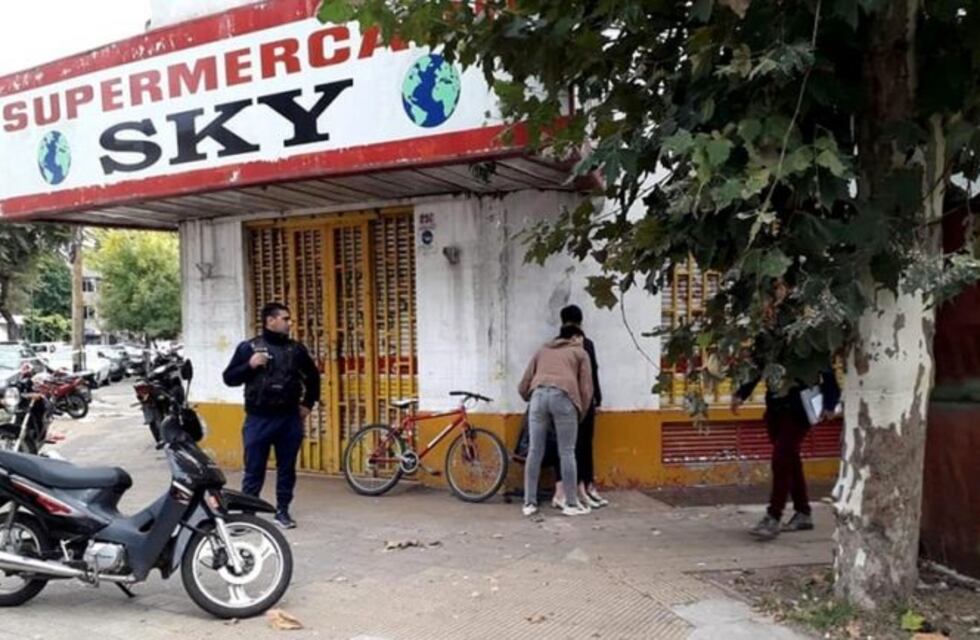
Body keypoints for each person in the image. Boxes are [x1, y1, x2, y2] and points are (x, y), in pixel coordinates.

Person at [731, 279, 840, 540]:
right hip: (775, 405)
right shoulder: (766, 333)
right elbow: (758, 366)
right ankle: (803, 512)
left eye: (778, 292)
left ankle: (773, 516)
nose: (772, 300)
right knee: (790, 459)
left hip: (799, 406)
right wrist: (741, 393)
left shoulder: (807, 330)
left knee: (781, 459)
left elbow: (825, 369)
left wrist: (830, 402)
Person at [222, 302, 321, 529]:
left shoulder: (296, 350)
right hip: (259, 419)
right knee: (254, 469)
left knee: (287, 469)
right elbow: (229, 378)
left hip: (289, 419)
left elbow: (313, 377)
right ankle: (248, 515)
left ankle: (282, 511)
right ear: (270, 321)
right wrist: (250, 365)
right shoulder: (249, 348)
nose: (289, 323)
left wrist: (308, 404)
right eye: (285, 319)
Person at [518, 324, 594, 517]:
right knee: (567, 452)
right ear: (575, 338)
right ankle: (570, 504)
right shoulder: (580, 353)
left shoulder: (543, 350)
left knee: (535, 451)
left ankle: (529, 503)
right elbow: (586, 388)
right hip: (564, 397)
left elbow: (524, 383)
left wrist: (529, 397)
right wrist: (581, 412)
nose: (582, 343)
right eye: (581, 339)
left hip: (538, 396)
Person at [552, 305, 608, 509]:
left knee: (563, 446)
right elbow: (593, 374)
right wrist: (597, 399)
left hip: (562, 399)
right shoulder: (587, 345)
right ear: (581, 322)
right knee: (584, 445)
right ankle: (586, 487)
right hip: (584, 401)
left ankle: (564, 490)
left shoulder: (554, 345)